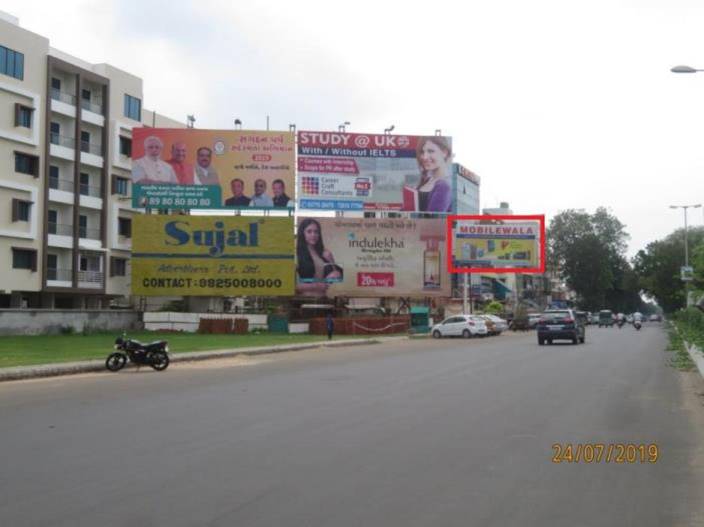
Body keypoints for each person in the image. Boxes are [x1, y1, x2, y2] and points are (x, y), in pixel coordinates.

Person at [296, 218, 342, 296]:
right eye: (309, 231)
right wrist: (316, 286)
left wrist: (331, 262)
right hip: (303, 300)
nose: (313, 235)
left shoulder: (324, 253)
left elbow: (336, 277)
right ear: (302, 233)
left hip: (323, 299)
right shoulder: (297, 254)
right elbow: (291, 287)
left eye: (316, 232)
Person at [416, 136, 452, 212]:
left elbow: (433, 218)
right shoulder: (426, 181)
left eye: (430, 151)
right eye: (422, 152)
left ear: (444, 153)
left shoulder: (443, 186)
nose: (425, 157)